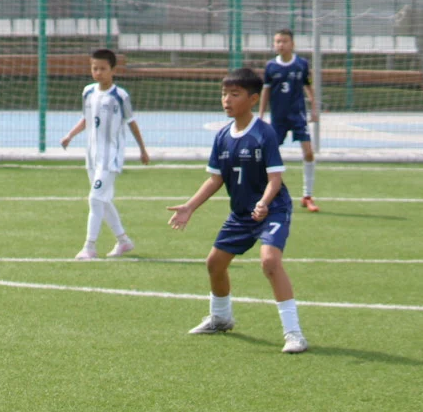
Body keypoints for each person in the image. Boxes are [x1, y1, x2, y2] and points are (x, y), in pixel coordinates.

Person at [168, 67, 308, 354]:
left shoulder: (264, 133)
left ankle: (294, 334)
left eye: (234, 94)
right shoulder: (222, 136)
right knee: (214, 264)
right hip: (242, 213)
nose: (226, 100)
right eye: (224, 94)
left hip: (272, 209)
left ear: (253, 99)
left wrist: (264, 203)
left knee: (270, 262)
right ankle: (221, 318)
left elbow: (275, 179)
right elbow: (215, 179)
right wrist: (189, 207)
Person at [59, 47, 150, 259]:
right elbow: (87, 119)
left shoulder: (120, 96)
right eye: (95, 68)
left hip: (111, 157)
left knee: (95, 198)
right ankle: (124, 241)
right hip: (92, 156)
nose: (98, 72)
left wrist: (142, 150)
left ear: (113, 70)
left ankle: (89, 246)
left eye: (102, 68)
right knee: (103, 200)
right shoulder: (88, 92)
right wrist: (70, 135)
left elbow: (132, 122)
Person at [261, 29, 321, 211]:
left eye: (284, 41)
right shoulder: (271, 66)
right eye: (277, 41)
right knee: (269, 154)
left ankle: (307, 195)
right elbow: (266, 91)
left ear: (292, 44)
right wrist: (261, 115)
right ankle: (269, 193)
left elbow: (308, 87)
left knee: (308, 153)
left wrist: (314, 108)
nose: (281, 44)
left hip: (297, 116)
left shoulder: (301, 64)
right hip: (278, 118)